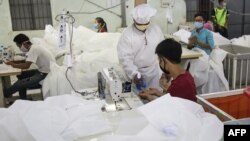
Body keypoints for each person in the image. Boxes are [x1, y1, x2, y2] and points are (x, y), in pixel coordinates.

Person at [117, 4, 164, 90]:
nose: (143, 26)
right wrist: (134, 74)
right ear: (134, 20)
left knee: (154, 97)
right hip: (136, 73)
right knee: (138, 100)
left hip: (154, 71)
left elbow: (163, 50)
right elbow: (125, 58)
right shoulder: (127, 34)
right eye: (139, 24)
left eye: (145, 24)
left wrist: (163, 70)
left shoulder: (156, 30)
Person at [4, 34, 55, 100]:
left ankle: (5, 94)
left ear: (23, 44)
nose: (19, 48)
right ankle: (23, 98)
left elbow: (26, 66)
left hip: (45, 74)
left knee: (20, 83)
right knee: (21, 75)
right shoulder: (34, 47)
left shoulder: (34, 49)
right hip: (42, 71)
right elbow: (26, 61)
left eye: (19, 46)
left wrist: (12, 64)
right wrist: (13, 62)